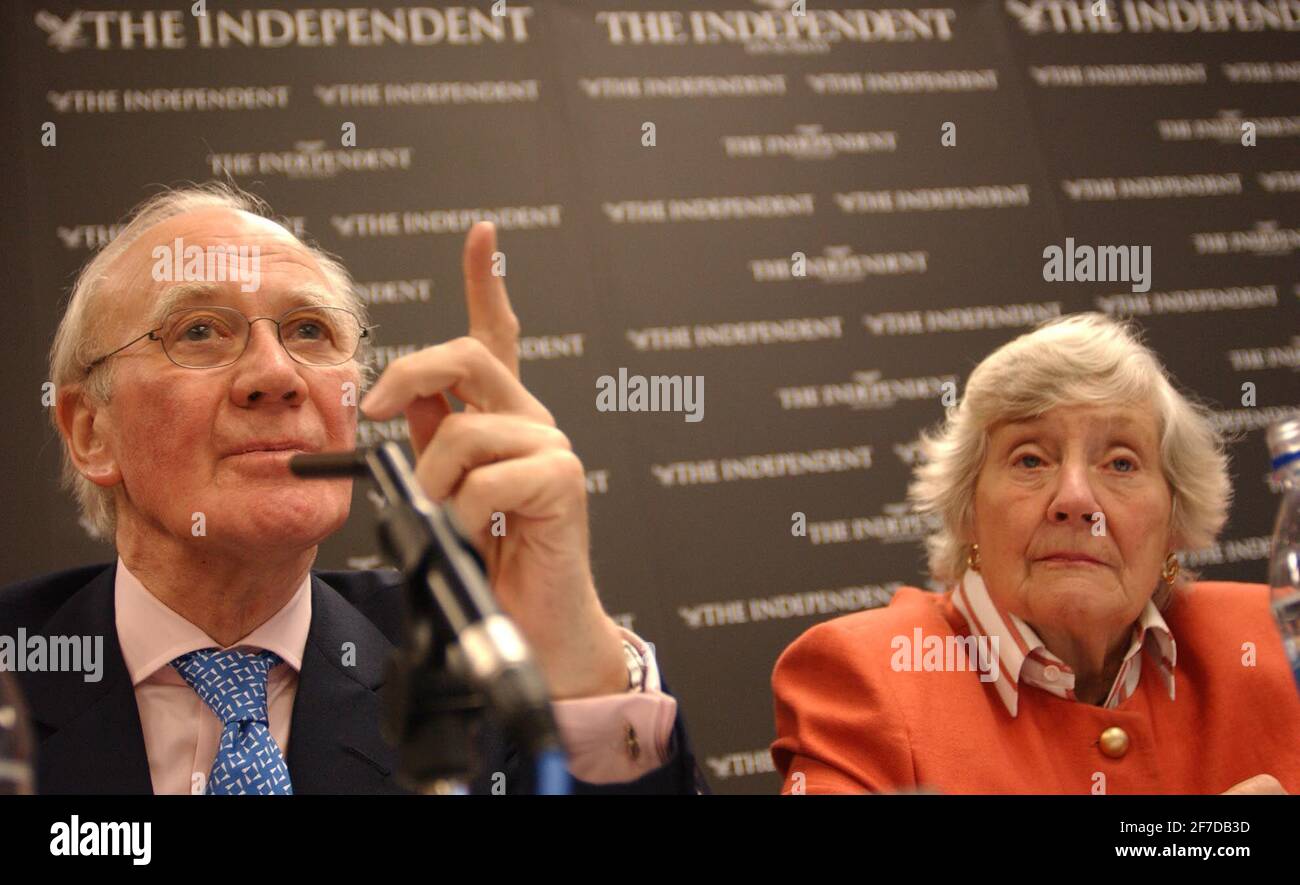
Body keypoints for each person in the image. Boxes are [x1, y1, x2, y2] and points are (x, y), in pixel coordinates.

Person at [0, 182, 699, 795]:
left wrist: (581, 668)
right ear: (90, 430)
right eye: (202, 331)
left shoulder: (473, 662)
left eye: (309, 330)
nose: (277, 374)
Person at [772, 313, 1300, 794]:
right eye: (1030, 460)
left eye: (1120, 464)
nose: (1075, 500)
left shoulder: (1278, 638)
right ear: (968, 510)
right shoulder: (868, 676)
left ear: (1174, 519)